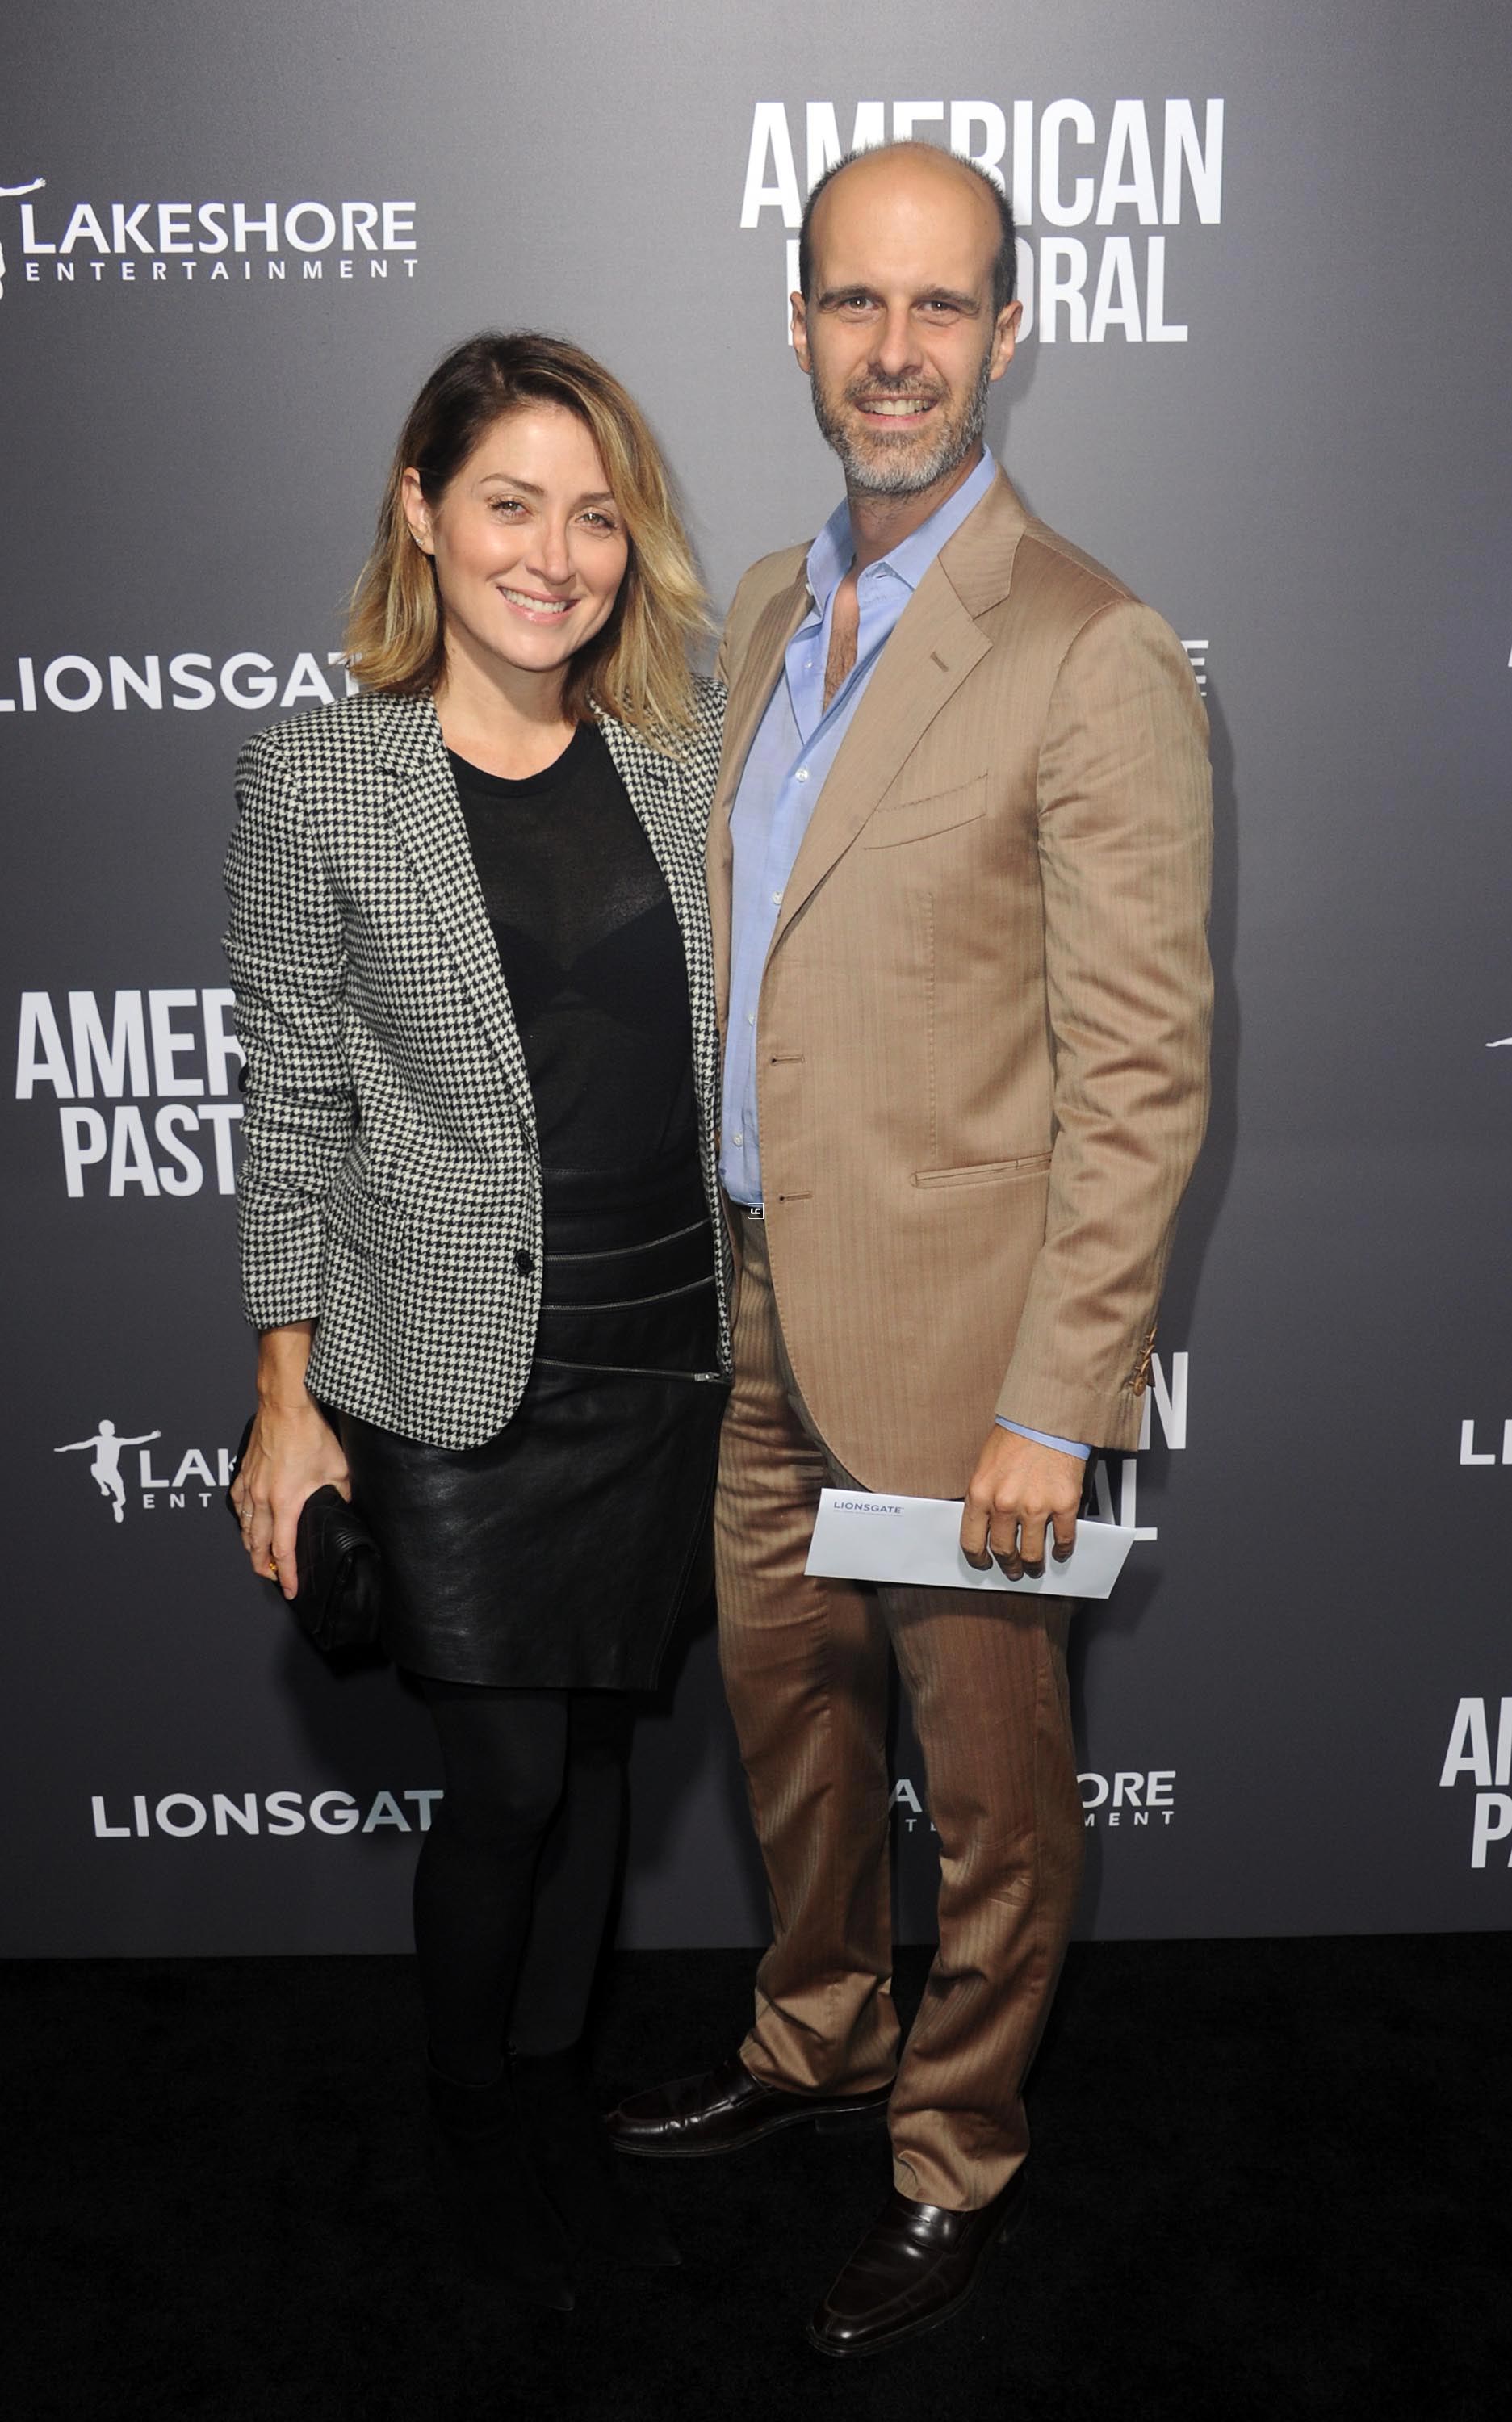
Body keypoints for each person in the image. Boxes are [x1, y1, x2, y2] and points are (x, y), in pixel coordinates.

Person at [608, 143, 1213, 2357]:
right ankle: (816, 2039)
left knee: (984, 1785)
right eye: (854, 306)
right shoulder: (766, 606)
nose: (894, 353)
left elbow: (1140, 1073)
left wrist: (1058, 1398)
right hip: (751, 1305)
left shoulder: (1090, 645)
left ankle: (954, 2152)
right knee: (787, 1725)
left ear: (1008, 328)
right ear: (795, 325)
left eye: (939, 309)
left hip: (970, 1351)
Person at [224, 331, 728, 2312]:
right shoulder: (314, 775)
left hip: (667, 1352)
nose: (556, 553)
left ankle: (550, 2103)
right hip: (442, 1369)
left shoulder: (694, 781)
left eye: (594, 512)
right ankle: (469, 2126)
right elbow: (285, 1099)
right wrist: (286, 1394)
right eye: (509, 503)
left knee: (599, 1764)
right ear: (423, 518)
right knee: (508, 1778)